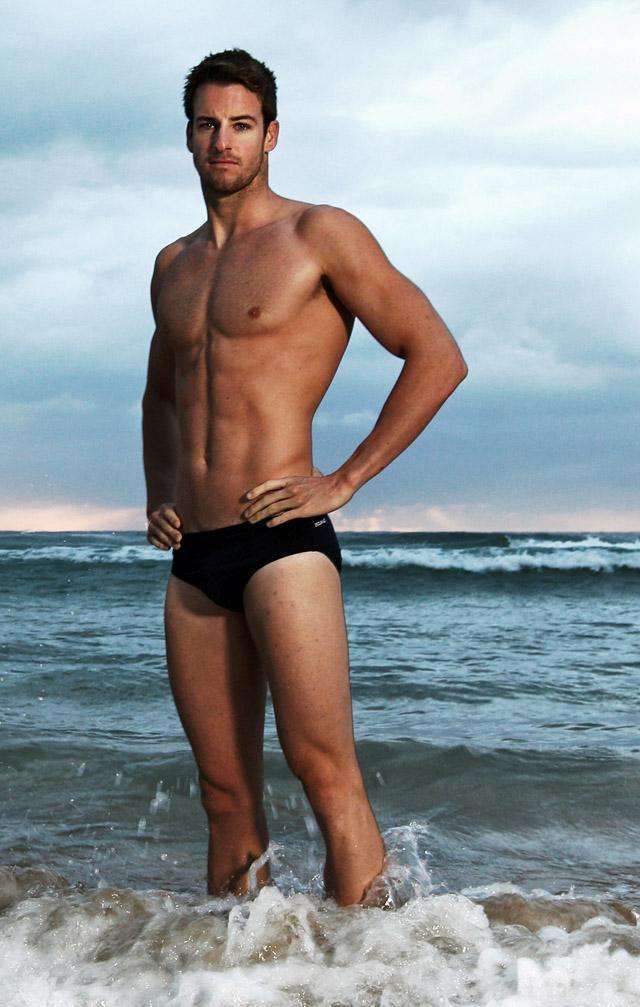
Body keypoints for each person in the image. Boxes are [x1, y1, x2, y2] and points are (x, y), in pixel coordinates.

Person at [142, 47, 468, 908]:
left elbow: (437, 355)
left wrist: (346, 478)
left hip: (283, 540)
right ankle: (240, 969)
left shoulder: (318, 235)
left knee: (325, 771)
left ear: (272, 135)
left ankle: (372, 968)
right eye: (208, 124)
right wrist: (158, 491)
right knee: (224, 793)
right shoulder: (173, 265)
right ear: (188, 136)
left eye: (241, 125)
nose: (224, 140)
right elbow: (162, 392)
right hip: (196, 558)